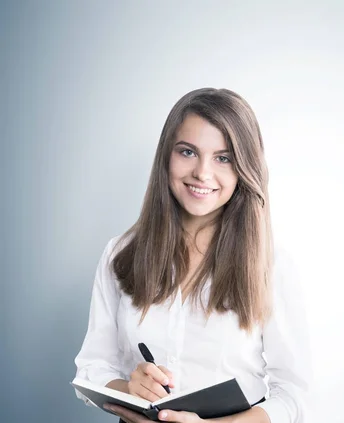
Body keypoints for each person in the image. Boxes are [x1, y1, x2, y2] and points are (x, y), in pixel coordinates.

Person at [73, 88, 311, 423]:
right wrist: (129, 389)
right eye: (188, 152)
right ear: (166, 156)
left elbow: (293, 396)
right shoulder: (120, 253)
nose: (202, 173)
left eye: (223, 158)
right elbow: (92, 369)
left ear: (244, 167)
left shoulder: (271, 264)